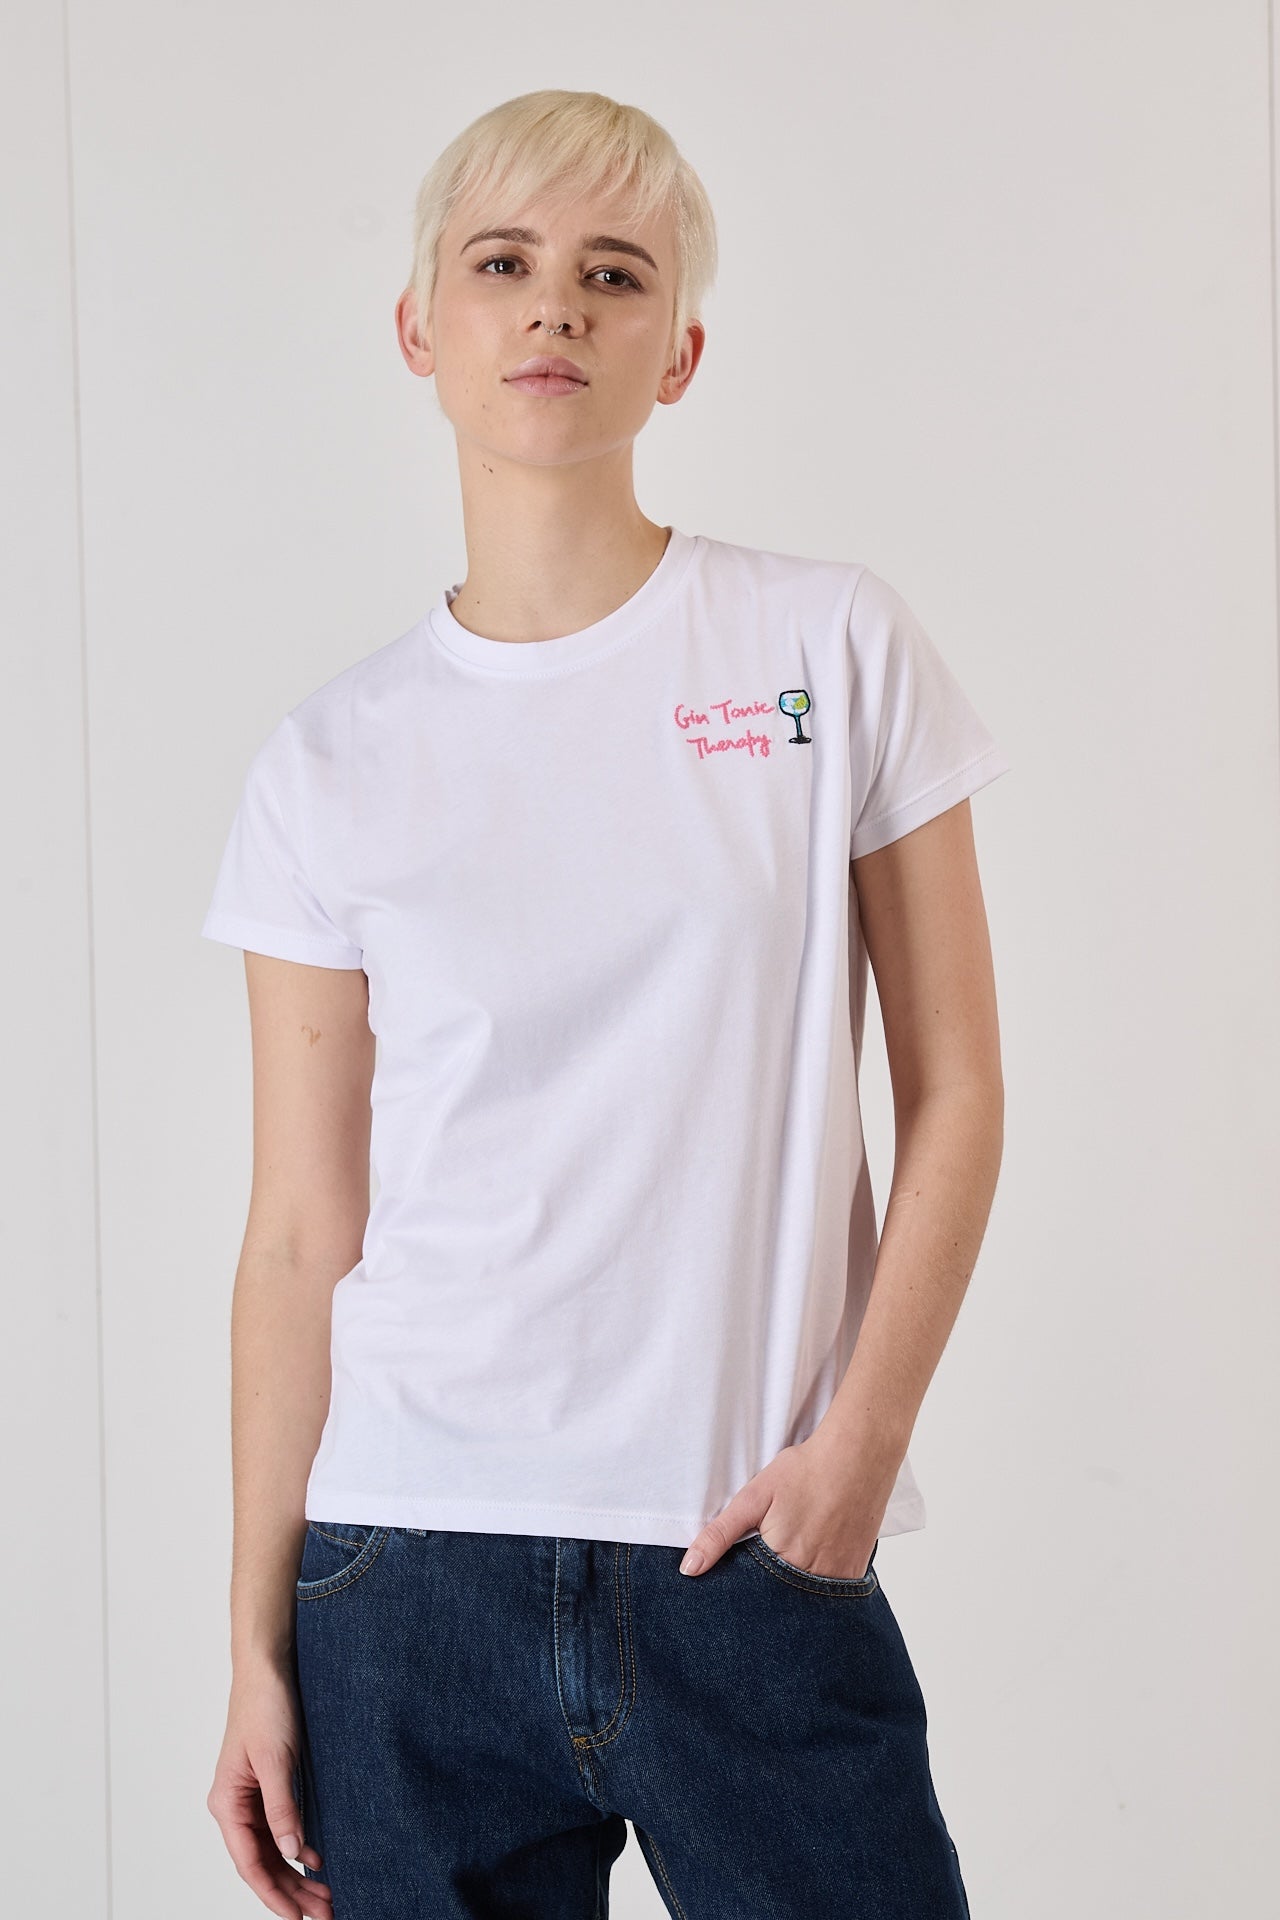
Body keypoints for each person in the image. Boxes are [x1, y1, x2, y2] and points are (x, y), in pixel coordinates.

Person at [202, 87, 1008, 1920]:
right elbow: (300, 1230)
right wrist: (253, 1642)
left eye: (615, 272)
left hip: (749, 1554)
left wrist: (858, 1459)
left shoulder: (825, 649)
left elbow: (958, 1090)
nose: (555, 304)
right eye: (503, 263)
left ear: (681, 352)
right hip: (404, 1574)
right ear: (421, 328)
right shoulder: (329, 761)